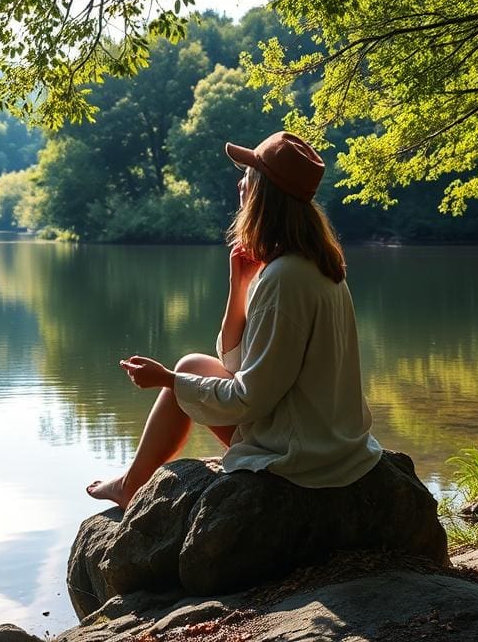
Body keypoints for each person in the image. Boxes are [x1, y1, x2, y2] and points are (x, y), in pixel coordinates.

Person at [87, 131, 383, 509]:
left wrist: (167, 381)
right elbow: (235, 363)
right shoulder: (308, 265)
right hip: (324, 438)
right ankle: (132, 481)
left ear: (263, 193)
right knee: (193, 365)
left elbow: (250, 398)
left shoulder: (285, 279)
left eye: (249, 175)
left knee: (182, 376)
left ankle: (131, 485)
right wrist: (238, 284)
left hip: (304, 458)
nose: (240, 183)